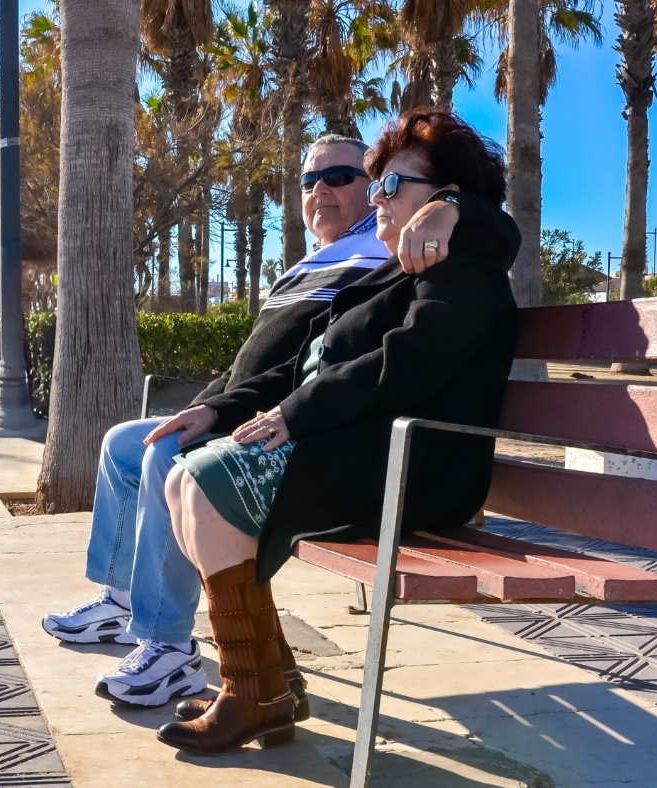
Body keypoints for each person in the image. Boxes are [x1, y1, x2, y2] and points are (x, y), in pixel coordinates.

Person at [41, 134, 464, 709]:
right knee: (124, 443)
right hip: (248, 410)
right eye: (310, 182)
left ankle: (168, 648)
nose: (321, 191)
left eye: (341, 177)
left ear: (374, 187)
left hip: (294, 430)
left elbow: (482, 225)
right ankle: (121, 600)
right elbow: (259, 363)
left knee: (169, 458)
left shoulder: (391, 244)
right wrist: (209, 405)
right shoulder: (312, 263)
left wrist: (450, 203)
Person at [154, 109, 520, 755]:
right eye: (375, 185)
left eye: (390, 186)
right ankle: (262, 685)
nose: (376, 197)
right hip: (362, 453)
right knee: (186, 473)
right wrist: (219, 410)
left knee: (208, 483)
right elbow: (294, 372)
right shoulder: (387, 277)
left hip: (418, 468)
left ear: (445, 199)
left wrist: (457, 205)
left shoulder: (463, 259)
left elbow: (409, 362)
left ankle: (254, 692)